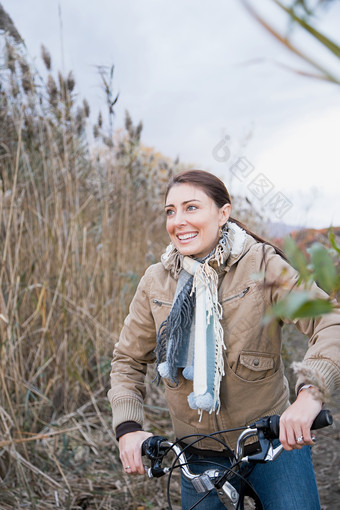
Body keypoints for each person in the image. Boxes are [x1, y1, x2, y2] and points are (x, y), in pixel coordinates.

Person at [108, 169, 340, 510]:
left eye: (191, 208)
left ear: (223, 213)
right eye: (170, 211)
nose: (178, 221)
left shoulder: (262, 265)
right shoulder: (155, 281)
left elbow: (329, 320)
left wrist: (310, 394)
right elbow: (127, 360)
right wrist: (127, 428)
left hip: (272, 444)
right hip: (195, 454)